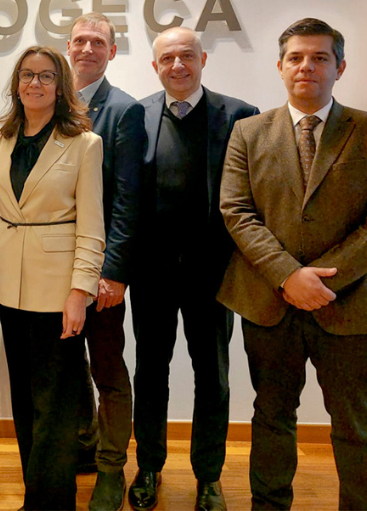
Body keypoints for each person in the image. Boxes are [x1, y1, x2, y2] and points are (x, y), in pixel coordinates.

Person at [219, 18, 367, 510]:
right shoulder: (247, 132)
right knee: (271, 416)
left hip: (351, 303)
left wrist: (321, 280)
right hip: (268, 301)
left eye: (320, 57)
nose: (307, 66)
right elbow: (236, 211)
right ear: (280, 66)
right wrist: (287, 275)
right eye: (296, 58)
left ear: (339, 68)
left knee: (354, 423)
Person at [0, 45, 105, 511]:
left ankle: (53, 502)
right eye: (27, 75)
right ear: (16, 84)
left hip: (58, 290)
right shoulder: (1, 138)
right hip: (9, 287)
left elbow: (92, 226)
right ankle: (36, 495)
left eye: (46, 76)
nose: (35, 83)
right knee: (26, 399)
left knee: (57, 403)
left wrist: (80, 292)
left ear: (61, 86)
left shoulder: (84, 143)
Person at [130, 27, 258, 511]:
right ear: (155, 66)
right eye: (167, 58)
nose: (178, 65)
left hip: (214, 275)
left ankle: (209, 476)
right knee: (150, 374)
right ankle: (148, 466)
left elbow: (252, 198)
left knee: (214, 378)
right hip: (151, 275)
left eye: (187, 55)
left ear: (203, 60)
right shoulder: (137, 116)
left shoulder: (240, 116)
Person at [67, 13, 146, 510]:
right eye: (80, 40)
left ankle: (112, 468)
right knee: (66, 366)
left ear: (112, 52)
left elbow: (128, 200)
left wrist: (114, 273)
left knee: (108, 370)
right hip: (54, 267)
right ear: (68, 47)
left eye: (98, 42)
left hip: (99, 273)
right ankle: (83, 447)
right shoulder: (50, 103)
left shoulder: (124, 111)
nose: (88, 49)